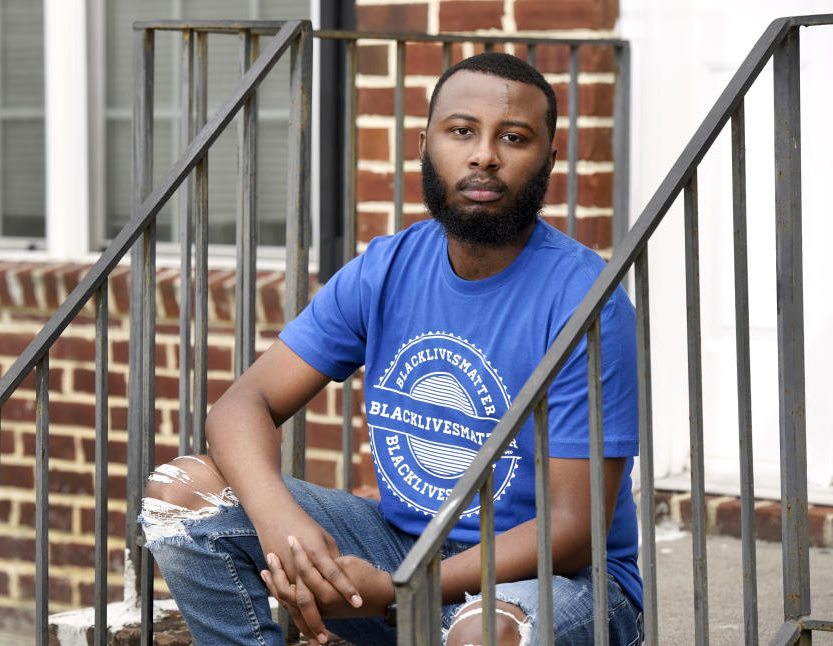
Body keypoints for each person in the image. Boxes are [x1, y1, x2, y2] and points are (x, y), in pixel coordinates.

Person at [140, 52, 642, 646]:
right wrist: (281, 525)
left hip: (558, 585)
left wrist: (401, 585)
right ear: (424, 144)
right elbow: (241, 404)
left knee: (484, 633)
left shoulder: (587, 300)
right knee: (182, 495)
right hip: (399, 548)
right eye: (462, 132)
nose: (484, 155)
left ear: (547, 163)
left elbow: (574, 530)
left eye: (513, 138)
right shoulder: (388, 268)